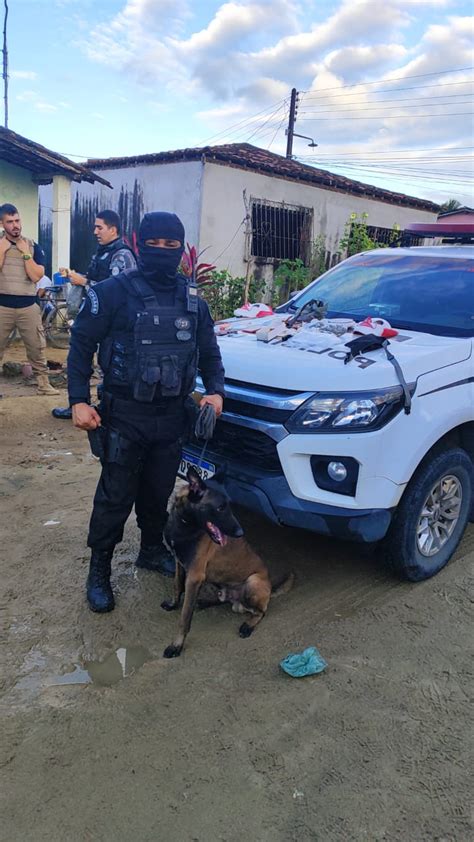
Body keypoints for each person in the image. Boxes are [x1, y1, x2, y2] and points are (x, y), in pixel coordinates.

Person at [68, 211, 225, 612]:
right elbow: (82, 344)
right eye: (153, 244)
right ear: (139, 244)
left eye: (171, 246)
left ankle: (151, 549)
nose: (162, 252)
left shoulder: (192, 301)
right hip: (124, 416)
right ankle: (99, 569)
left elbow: (208, 353)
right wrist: (78, 400)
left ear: (181, 248)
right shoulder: (113, 292)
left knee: (157, 493)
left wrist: (216, 393)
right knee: (115, 497)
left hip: (171, 416)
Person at [53, 209, 137, 419]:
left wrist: (84, 282)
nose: (95, 232)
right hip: (95, 319)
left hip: (113, 323)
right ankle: (79, 404)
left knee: (108, 364)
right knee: (81, 360)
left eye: (99, 227)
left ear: (113, 229)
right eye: (95, 227)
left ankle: (106, 407)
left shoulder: (122, 255)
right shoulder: (102, 251)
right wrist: (79, 278)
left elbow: (119, 292)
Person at [0, 204, 59, 395]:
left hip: (28, 307)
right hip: (3, 307)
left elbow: (36, 276)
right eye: (10, 222)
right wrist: (2, 250)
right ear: (2, 224)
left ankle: (43, 384)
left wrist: (26, 253)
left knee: (37, 348)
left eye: (17, 220)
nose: (15, 225)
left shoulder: (33, 246)